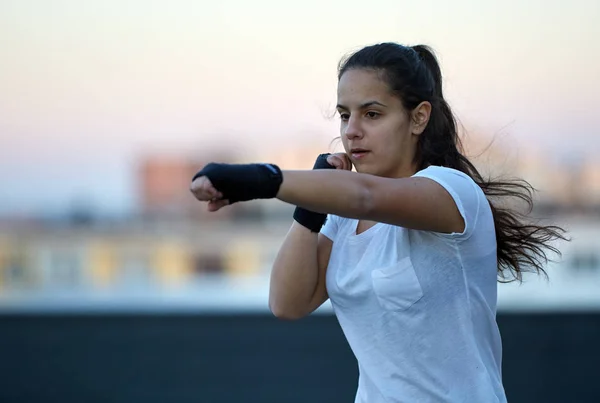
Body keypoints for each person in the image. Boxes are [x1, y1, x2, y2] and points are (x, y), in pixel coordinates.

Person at [190, 42, 567, 403]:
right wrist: (310, 208)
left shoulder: (452, 192)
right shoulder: (343, 215)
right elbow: (288, 303)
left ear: (418, 117)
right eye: (344, 115)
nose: (351, 130)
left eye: (371, 114)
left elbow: (366, 195)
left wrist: (260, 179)